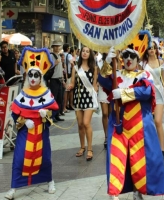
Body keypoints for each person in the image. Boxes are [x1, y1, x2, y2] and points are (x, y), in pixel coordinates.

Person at [98, 41, 164, 200]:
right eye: (125, 56)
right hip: (119, 125)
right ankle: (114, 191)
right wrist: (107, 62)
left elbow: (146, 91)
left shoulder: (144, 75)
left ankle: (138, 190)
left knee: (138, 160)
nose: (128, 59)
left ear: (137, 59)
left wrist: (123, 94)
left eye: (132, 56)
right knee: (116, 157)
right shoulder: (117, 74)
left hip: (139, 125)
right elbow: (102, 81)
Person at [5, 47, 59, 200]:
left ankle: (50, 181)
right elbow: (15, 114)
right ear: (27, 76)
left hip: (41, 131)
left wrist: (46, 114)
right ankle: (13, 188)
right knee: (20, 158)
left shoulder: (46, 93)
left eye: (36, 75)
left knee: (45, 158)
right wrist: (23, 121)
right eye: (31, 75)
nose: (33, 78)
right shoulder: (23, 94)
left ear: (41, 77)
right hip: (25, 132)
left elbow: (54, 112)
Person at [67, 46, 98, 161]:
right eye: (83, 51)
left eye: (87, 51)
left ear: (90, 54)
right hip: (78, 98)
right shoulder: (76, 68)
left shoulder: (94, 68)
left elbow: (94, 85)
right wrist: (69, 86)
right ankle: (82, 147)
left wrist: (96, 93)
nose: (85, 53)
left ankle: (90, 148)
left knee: (86, 123)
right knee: (80, 124)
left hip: (89, 98)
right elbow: (73, 83)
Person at [141, 41, 164, 162]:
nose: (151, 50)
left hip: (159, 94)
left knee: (158, 121)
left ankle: (162, 150)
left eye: (153, 48)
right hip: (147, 95)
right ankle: (149, 149)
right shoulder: (142, 64)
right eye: (149, 48)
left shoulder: (160, 62)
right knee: (147, 124)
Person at [48, 40, 65, 122]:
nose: (57, 48)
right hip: (54, 79)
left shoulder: (59, 55)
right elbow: (48, 67)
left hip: (59, 79)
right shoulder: (51, 56)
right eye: (55, 46)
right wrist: (55, 63)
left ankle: (57, 114)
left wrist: (63, 79)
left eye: (58, 46)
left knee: (59, 98)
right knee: (54, 98)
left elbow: (61, 69)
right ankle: (52, 116)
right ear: (53, 47)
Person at [97, 53, 111, 149]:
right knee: (105, 113)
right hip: (102, 89)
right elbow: (98, 75)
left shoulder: (115, 60)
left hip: (111, 88)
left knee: (111, 114)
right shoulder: (99, 62)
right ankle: (106, 136)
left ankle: (111, 135)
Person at [63, 43, 75, 111]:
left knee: (66, 90)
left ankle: (66, 105)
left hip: (64, 74)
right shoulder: (69, 55)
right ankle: (69, 105)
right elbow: (72, 63)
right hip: (69, 74)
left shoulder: (61, 55)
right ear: (68, 48)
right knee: (69, 90)